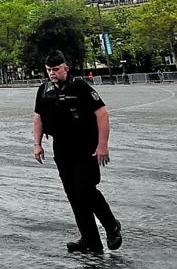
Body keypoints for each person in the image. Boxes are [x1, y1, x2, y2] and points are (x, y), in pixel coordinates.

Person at [33, 50, 122, 254]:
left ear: (65, 68)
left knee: (85, 189)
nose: (52, 73)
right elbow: (37, 117)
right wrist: (37, 143)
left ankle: (111, 225)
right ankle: (90, 240)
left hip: (85, 144)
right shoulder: (44, 90)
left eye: (56, 69)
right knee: (73, 194)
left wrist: (103, 145)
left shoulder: (80, 86)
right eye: (49, 70)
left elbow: (102, 113)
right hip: (62, 146)